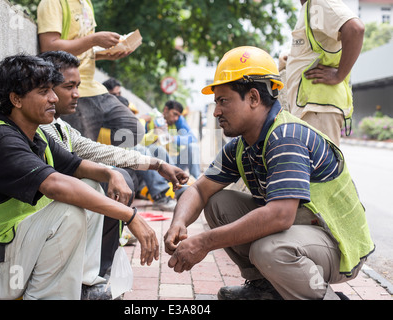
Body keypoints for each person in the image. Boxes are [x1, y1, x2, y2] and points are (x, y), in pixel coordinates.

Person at [163, 46, 374, 300]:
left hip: (338, 244)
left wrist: (204, 242)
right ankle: (266, 289)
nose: (217, 111)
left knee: (269, 249)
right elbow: (199, 189)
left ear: (253, 98)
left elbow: (280, 216)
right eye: (216, 102)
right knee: (218, 203)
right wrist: (178, 223)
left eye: (223, 101)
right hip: (304, 231)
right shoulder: (241, 146)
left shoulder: (286, 137)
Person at [0, 54, 159, 300]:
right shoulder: (3, 140)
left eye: (53, 90)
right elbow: (55, 186)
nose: (54, 98)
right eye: (44, 91)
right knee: (69, 210)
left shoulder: (37, 136)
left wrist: (111, 172)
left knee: (90, 185)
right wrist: (130, 216)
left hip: (20, 256)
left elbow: (77, 166)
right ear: (16, 99)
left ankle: (84, 286)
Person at [38, 51, 184, 213]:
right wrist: (129, 216)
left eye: (78, 86)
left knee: (119, 176)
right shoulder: (39, 129)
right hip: (36, 221)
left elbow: (97, 150)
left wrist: (158, 164)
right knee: (103, 182)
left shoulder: (61, 126)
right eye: (69, 87)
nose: (77, 94)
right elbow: (74, 165)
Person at [37, 0, 144, 147]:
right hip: (71, 88)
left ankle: (97, 149)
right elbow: (49, 46)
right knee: (82, 152)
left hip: (94, 87)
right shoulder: (52, 2)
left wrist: (105, 53)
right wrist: (94, 39)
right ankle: (91, 149)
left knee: (133, 130)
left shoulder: (86, 3)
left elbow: (83, 48)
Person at [285, 0, 365, 146]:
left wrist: (339, 75)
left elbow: (355, 29)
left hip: (317, 108)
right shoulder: (310, 6)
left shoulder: (319, 2)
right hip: (311, 108)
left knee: (319, 166)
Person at [140, 100, 201, 179]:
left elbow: (192, 138)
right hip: (158, 165)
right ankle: (174, 178)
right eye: (174, 114)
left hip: (174, 162)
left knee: (193, 147)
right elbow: (140, 143)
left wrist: (173, 138)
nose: (176, 118)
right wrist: (154, 133)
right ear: (166, 110)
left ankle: (196, 181)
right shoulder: (150, 118)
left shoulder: (178, 120)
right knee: (157, 149)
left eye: (178, 116)